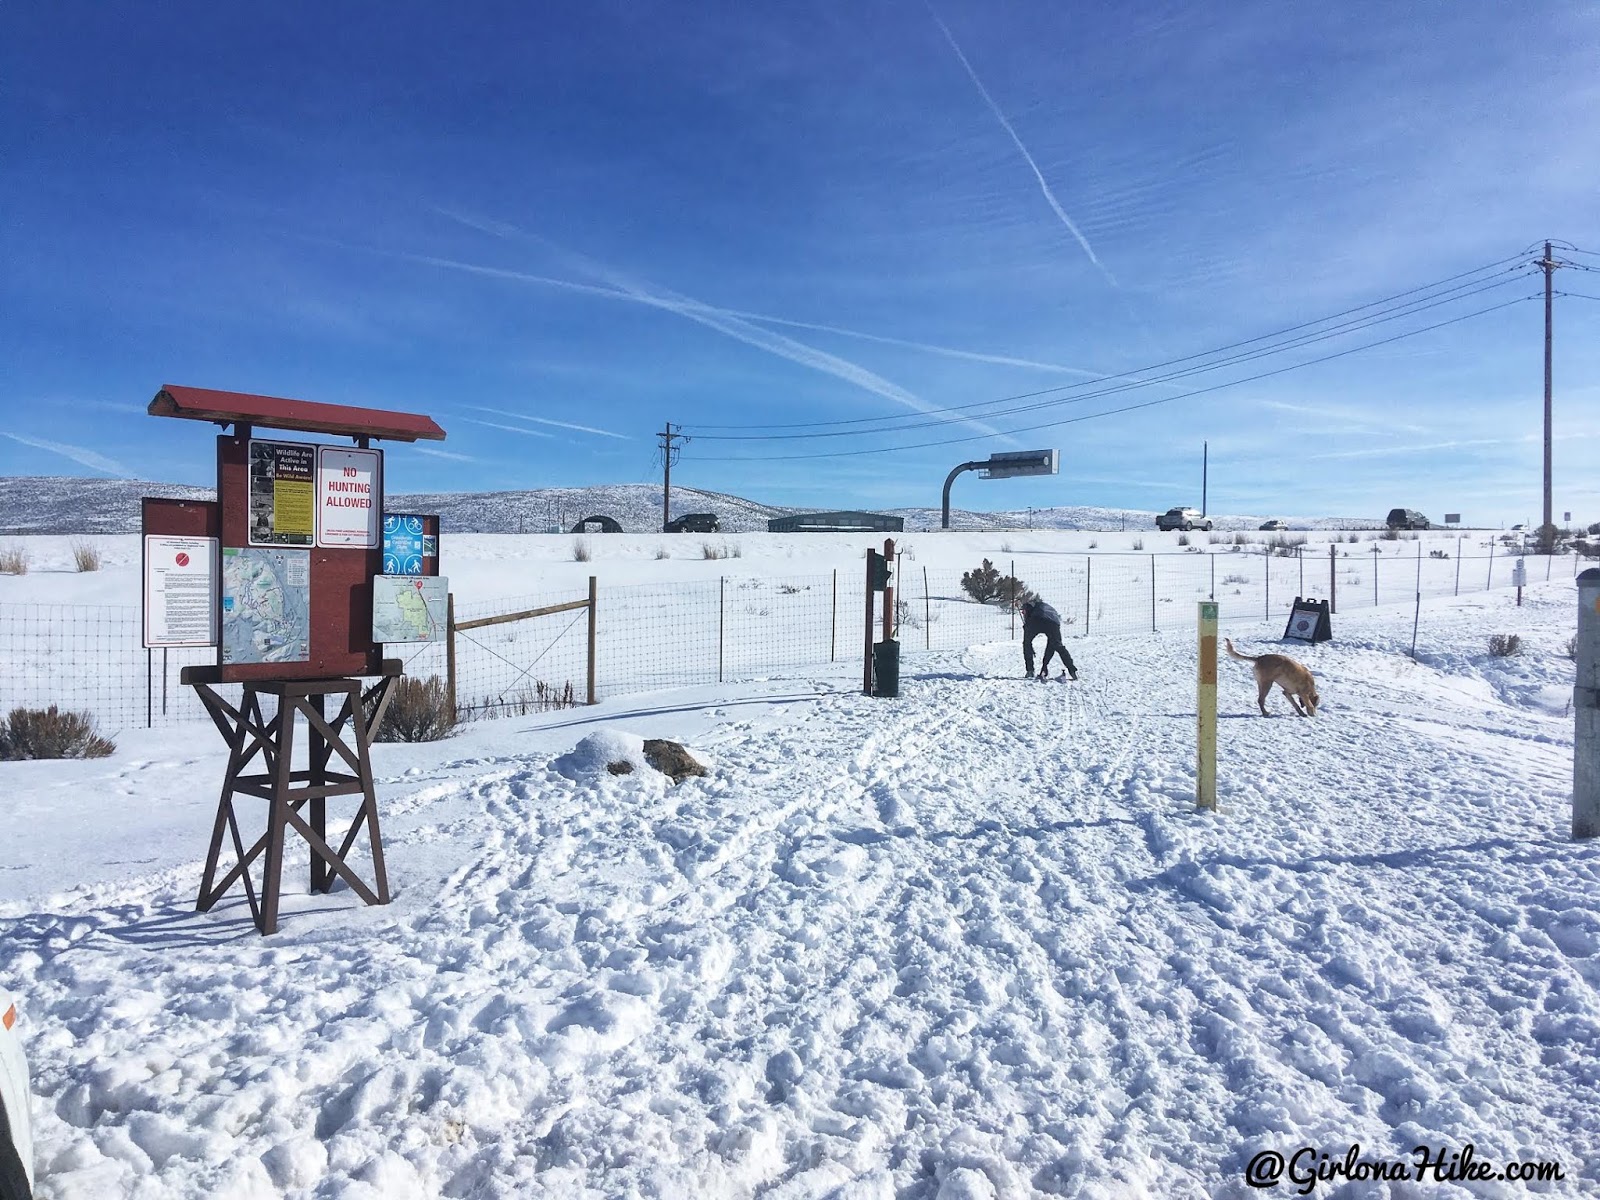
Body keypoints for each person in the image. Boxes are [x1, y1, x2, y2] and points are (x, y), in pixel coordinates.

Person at [1020, 597, 1078, 681]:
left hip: (1035, 620)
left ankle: (1030, 670)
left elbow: (1027, 638)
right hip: (1053, 623)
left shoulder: (1032, 609)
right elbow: (1051, 646)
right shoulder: (1045, 607)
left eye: (1023, 612)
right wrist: (1045, 665)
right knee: (1057, 646)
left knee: (1027, 643)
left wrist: (1027, 627)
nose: (1023, 614)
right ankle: (1072, 670)